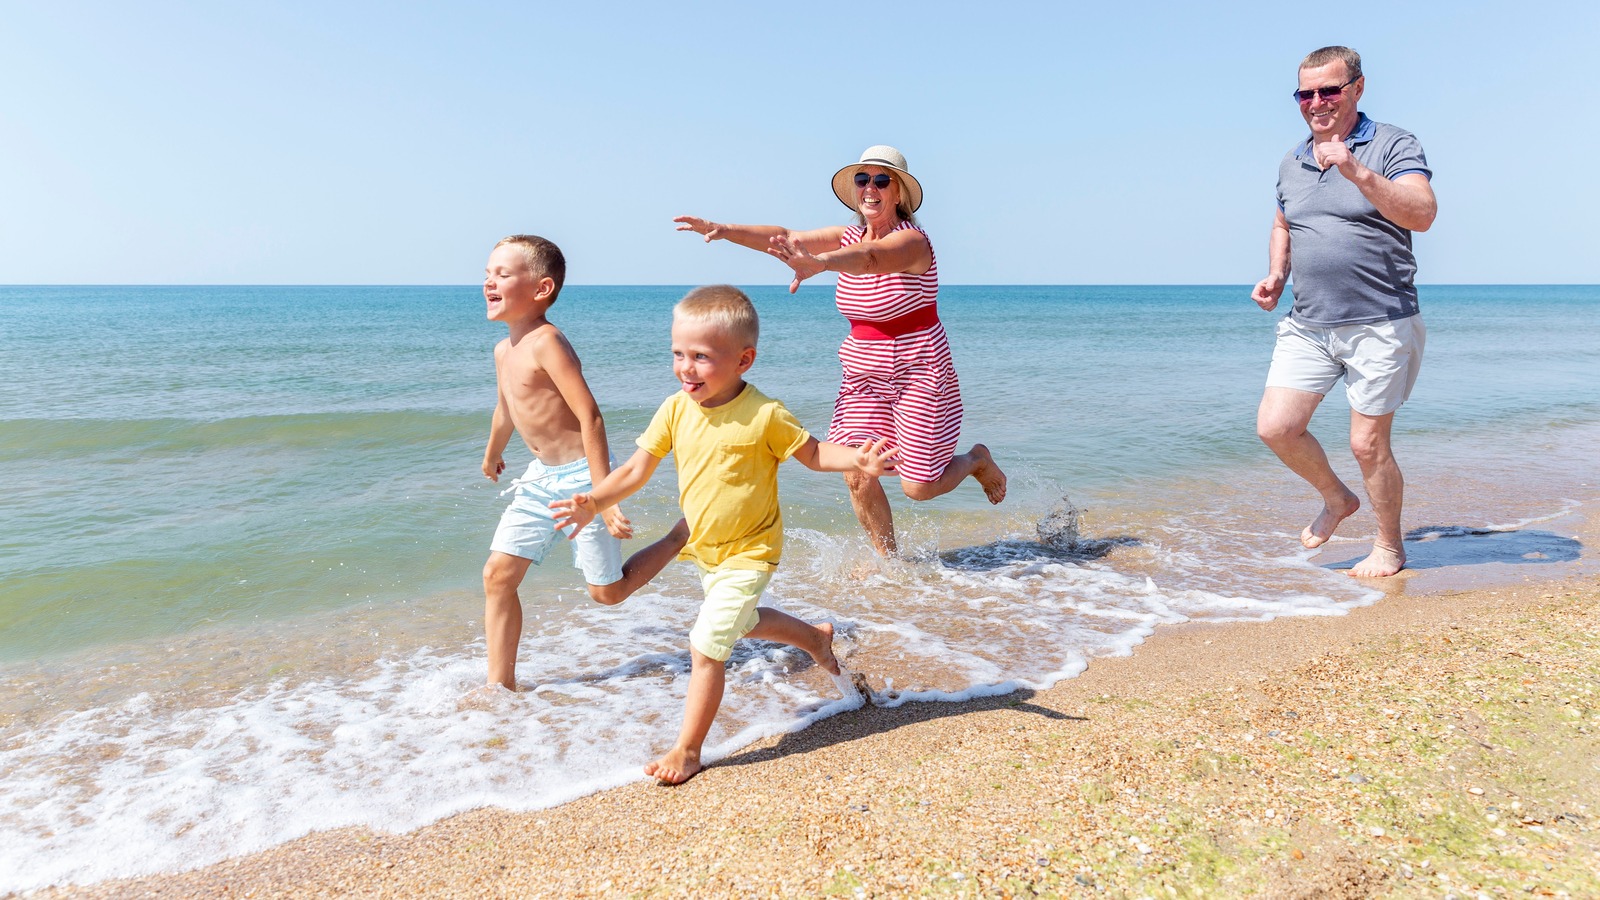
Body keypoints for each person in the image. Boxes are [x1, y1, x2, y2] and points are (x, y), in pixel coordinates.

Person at [551, 285, 897, 784]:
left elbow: (816, 454)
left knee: (707, 643)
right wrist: (595, 502)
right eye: (678, 354)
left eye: (701, 357)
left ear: (744, 359)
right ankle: (814, 639)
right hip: (706, 549)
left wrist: (858, 458)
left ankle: (688, 750)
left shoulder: (765, 414)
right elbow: (635, 470)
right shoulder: (675, 409)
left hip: (753, 551)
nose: (686, 368)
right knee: (742, 621)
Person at [673, 145, 1005, 557]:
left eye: (881, 180)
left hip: (920, 374)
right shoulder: (847, 236)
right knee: (856, 469)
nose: (870, 188)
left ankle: (975, 459)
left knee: (918, 487)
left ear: (899, 193)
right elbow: (786, 237)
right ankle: (889, 563)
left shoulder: (913, 243)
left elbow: (871, 258)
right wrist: (724, 229)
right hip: (864, 376)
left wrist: (821, 263)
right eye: (862, 179)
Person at [1250, 47, 1437, 578]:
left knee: (1366, 443)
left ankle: (1388, 545)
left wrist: (1358, 172)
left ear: (1357, 88)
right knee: (1276, 428)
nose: (1316, 103)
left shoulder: (1393, 143)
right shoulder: (1293, 159)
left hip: (1381, 319)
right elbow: (1284, 222)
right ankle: (1337, 499)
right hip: (1308, 322)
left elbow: (1422, 214)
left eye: (1328, 90)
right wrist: (1276, 274)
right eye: (1305, 93)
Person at [479, 234, 687, 691]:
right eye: (487, 274)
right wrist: (494, 451)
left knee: (607, 593)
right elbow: (506, 408)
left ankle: (679, 536)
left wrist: (604, 498)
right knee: (497, 576)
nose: (489, 282)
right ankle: (500, 687)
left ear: (541, 289)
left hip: (581, 479)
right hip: (538, 480)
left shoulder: (548, 342)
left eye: (503, 274)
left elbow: (590, 416)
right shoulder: (503, 350)